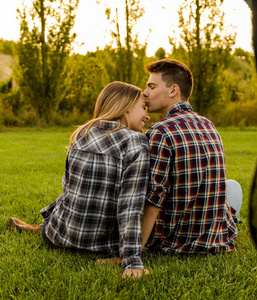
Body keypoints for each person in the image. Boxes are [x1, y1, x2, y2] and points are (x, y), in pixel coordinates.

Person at [8, 81, 151, 278]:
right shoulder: (136, 142)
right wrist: (132, 261)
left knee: (68, 197)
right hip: (101, 244)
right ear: (126, 108)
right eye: (143, 107)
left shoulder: (83, 133)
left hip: (61, 235)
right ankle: (39, 228)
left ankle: (40, 229)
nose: (147, 115)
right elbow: (130, 207)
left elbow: (69, 189)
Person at [140, 59, 241, 254]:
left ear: (173, 90)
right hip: (213, 236)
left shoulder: (159, 131)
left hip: (173, 239)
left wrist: (135, 250)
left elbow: (154, 196)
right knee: (231, 186)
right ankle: (231, 215)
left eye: (151, 87)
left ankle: (231, 212)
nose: (145, 93)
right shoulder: (208, 124)